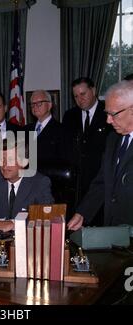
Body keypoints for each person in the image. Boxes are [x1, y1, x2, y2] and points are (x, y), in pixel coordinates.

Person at [68, 80, 133, 230]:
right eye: (107, 114)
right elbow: (103, 181)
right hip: (113, 230)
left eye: (113, 114)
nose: (108, 120)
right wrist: (82, 213)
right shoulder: (113, 139)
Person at [62, 77, 112, 224]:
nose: (80, 99)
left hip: (100, 185)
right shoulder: (69, 116)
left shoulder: (108, 114)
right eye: (76, 96)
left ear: (94, 90)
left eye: (83, 94)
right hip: (76, 186)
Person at [24, 89, 64, 169]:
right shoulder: (25, 130)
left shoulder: (62, 130)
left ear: (49, 105)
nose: (35, 106)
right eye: (32, 104)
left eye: (39, 103)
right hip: (27, 178)